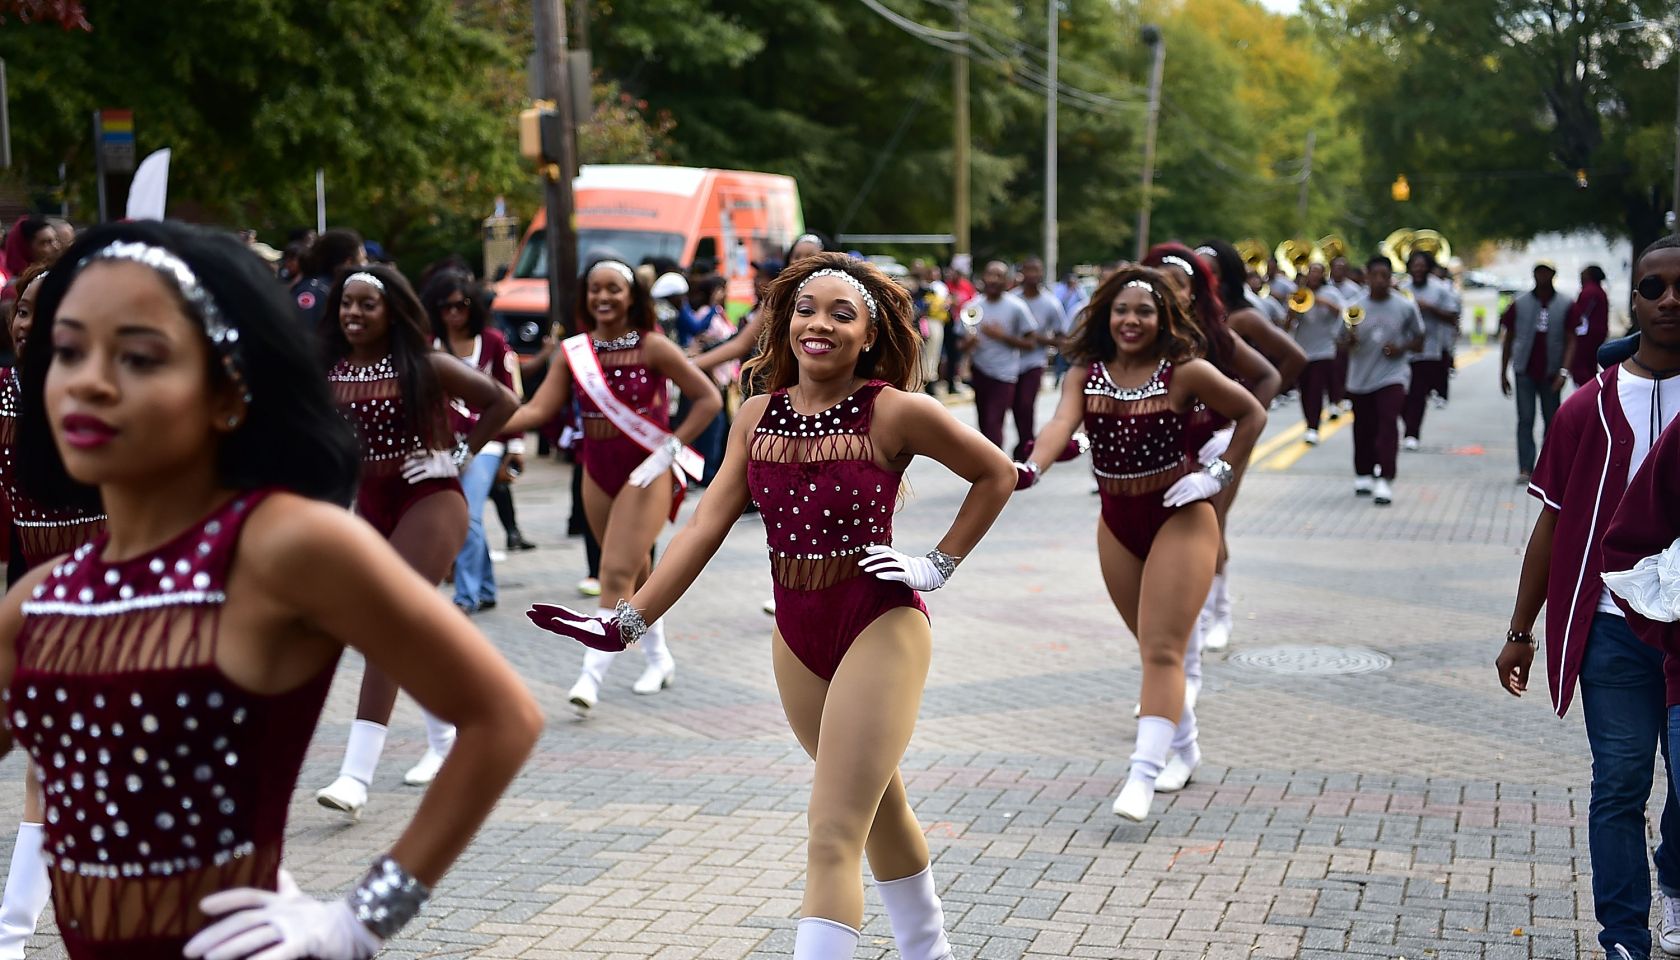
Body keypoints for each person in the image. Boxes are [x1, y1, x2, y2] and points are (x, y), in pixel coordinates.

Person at [1, 219, 541, 959]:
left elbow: (503, 717)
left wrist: (354, 924)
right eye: (68, 349)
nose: (89, 380)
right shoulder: (37, 601)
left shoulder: (281, 546)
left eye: (138, 356)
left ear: (229, 392)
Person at [528, 253, 1016, 960]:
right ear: (784, 323)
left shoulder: (895, 410)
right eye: (805, 310)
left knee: (831, 831)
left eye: (841, 313)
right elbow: (702, 525)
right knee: (878, 806)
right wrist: (625, 622)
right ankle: (928, 950)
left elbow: (995, 473)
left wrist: (935, 563)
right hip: (797, 636)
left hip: (880, 624)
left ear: (870, 336)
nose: (818, 324)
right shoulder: (755, 412)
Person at [1018, 267, 1265, 822]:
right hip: (1117, 523)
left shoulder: (1185, 371)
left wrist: (1217, 475)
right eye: (1122, 310)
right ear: (1106, 314)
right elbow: (1060, 423)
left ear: (1164, 319)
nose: (1132, 321)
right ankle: (1186, 745)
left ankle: (1141, 774)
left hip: (1180, 515)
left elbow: (1253, 412)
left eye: (1144, 312)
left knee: (1162, 651)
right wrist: (1030, 468)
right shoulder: (1084, 373)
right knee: (1156, 650)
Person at [1503, 234, 1680, 960]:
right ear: (1631, 302)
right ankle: (1623, 936)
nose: (1671, 300)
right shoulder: (1587, 409)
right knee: (1620, 784)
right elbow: (1552, 525)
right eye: (1655, 287)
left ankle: (1673, 878)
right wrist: (1521, 629)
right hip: (1613, 629)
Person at [314, 265, 520, 817]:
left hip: (431, 500)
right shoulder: (327, 370)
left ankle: (355, 776)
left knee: (386, 626)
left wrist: (458, 453)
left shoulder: (424, 364)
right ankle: (447, 738)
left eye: (367, 304)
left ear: (392, 312)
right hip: (371, 511)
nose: (353, 313)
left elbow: (503, 402)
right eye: (346, 303)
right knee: (398, 631)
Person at [502, 259, 722, 713]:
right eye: (595, 290)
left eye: (614, 290)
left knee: (614, 574)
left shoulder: (654, 347)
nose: (603, 298)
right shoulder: (574, 352)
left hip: (647, 471)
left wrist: (671, 449)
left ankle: (590, 677)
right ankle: (659, 659)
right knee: (636, 572)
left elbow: (709, 399)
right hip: (595, 472)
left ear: (632, 297)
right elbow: (537, 411)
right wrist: (480, 428)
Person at [0, 262, 108, 956]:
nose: (24, 323)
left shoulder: (105, 394)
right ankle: (14, 927)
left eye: (42, 311)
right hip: (36, 588)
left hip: (116, 595)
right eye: (19, 310)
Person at [1144, 243, 1287, 660]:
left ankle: (1216, 614)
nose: (1169, 289)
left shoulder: (1219, 330)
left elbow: (1275, 372)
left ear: (1198, 289)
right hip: (1171, 447)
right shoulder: (1141, 333)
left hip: (1215, 444)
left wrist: (1233, 432)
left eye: (1182, 282)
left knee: (1212, 525)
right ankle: (1177, 632)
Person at [424, 270, 523, 614]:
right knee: (463, 515)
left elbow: (510, 397)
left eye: (461, 305)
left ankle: (465, 597)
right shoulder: (429, 346)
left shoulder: (493, 341)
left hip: (487, 443)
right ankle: (485, 586)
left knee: (469, 516)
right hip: (444, 447)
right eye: (445, 306)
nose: (453, 313)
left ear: (473, 307)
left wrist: (516, 447)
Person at [1343, 258, 1425, 505]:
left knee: (1388, 424)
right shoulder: (1353, 306)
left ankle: (1385, 477)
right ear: (1366, 276)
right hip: (1360, 377)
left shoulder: (1405, 306)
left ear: (1391, 277)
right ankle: (1364, 472)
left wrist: (1401, 348)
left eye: (1384, 275)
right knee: (1364, 427)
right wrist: (1350, 341)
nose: (1380, 280)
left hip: (1392, 375)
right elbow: (1340, 342)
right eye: (1375, 275)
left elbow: (1419, 339)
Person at [1500, 261, 1576, 482]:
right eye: (1538, 272)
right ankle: (1525, 467)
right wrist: (1503, 372)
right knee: (1525, 419)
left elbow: (1572, 340)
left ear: (1553, 274)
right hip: (1524, 370)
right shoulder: (1520, 303)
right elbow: (1508, 338)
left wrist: (1564, 371)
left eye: (1546, 272)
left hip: (1551, 372)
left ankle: (1549, 469)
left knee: (1552, 421)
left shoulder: (1565, 304)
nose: (1542, 276)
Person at [962, 261, 1039, 453]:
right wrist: (969, 343)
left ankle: (996, 467)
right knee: (984, 422)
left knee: (994, 421)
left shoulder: (1017, 307)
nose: (993, 280)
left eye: (999, 276)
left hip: (1005, 374)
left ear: (1006, 281)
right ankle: (990, 464)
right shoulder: (973, 306)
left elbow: (1031, 343)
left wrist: (1001, 336)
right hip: (980, 370)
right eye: (990, 274)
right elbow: (960, 345)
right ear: (983, 278)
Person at [1400, 251, 1462, 449]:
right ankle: (1408, 424)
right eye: (1414, 265)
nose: (1418, 269)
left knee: (1418, 393)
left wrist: (1430, 308)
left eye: (1422, 265)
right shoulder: (1401, 289)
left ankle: (1412, 433)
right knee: (1401, 395)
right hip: (1403, 351)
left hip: (1429, 350)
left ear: (1428, 267)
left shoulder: (1440, 289)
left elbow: (1453, 318)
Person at [1013, 257, 1067, 458]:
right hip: (1010, 363)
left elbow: (1061, 337)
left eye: (1036, 270)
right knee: (1016, 406)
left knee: (1026, 404)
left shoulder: (1050, 303)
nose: (1032, 275)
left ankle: (1027, 445)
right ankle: (1022, 440)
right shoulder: (1013, 299)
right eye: (1028, 270)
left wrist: (1038, 339)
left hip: (1034, 362)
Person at [1284, 263, 1344, 444]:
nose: (1314, 275)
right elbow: (1288, 324)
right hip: (1302, 349)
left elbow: (1342, 312)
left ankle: (1313, 427)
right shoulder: (1299, 294)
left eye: (1317, 272)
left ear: (1323, 275)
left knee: (1316, 389)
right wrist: (1293, 310)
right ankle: (1309, 422)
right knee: (1304, 389)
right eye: (1311, 272)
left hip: (1324, 349)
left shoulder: (1331, 293)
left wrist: (1320, 301)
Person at [292, 228, 366, 328]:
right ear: (348, 263)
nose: (365, 265)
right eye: (362, 260)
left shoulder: (335, 290)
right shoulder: (315, 292)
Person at [1327, 256, 1362, 415]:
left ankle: (1346, 396)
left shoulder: (1355, 290)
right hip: (1328, 336)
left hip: (1347, 334)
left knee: (1346, 367)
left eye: (1342, 268)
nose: (1338, 270)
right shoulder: (1326, 288)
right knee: (1333, 370)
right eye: (1336, 267)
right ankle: (1333, 400)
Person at [1569, 265, 1611, 388]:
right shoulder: (1599, 291)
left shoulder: (1589, 291)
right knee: (1591, 364)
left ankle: (1586, 390)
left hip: (1587, 335)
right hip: (1597, 334)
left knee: (1581, 366)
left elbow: (1581, 314)